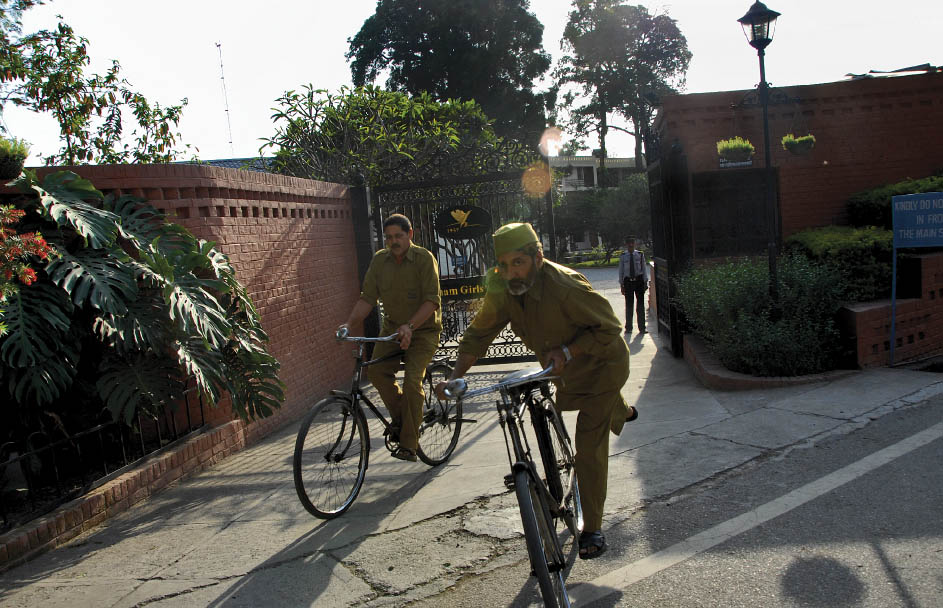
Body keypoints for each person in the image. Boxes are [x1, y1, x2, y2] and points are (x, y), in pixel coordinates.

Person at [435, 222, 637, 559]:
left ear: (538, 258)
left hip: (603, 366)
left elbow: (611, 330)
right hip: (566, 373)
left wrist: (570, 351)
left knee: (588, 448)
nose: (511, 272)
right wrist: (456, 377)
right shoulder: (502, 287)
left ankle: (593, 528)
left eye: (519, 263)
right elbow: (478, 334)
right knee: (580, 402)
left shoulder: (565, 287)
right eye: (503, 264)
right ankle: (624, 410)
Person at [339, 213, 442, 462]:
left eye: (398, 236)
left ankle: (408, 443)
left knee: (411, 382)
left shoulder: (424, 259)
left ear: (410, 235)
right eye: (388, 237)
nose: (393, 241)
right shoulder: (380, 260)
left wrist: (410, 326)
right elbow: (367, 298)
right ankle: (404, 421)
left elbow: (432, 300)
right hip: (393, 329)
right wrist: (349, 324)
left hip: (423, 331)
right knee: (376, 372)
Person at [618, 235, 650, 334]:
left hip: (639, 281)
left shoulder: (640, 255)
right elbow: (621, 271)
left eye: (632, 243)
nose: (631, 245)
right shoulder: (623, 256)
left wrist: (645, 281)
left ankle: (642, 328)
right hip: (628, 282)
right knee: (629, 305)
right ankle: (628, 328)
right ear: (627, 245)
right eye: (629, 243)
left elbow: (644, 269)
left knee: (640, 305)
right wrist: (622, 285)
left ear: (635, 244)